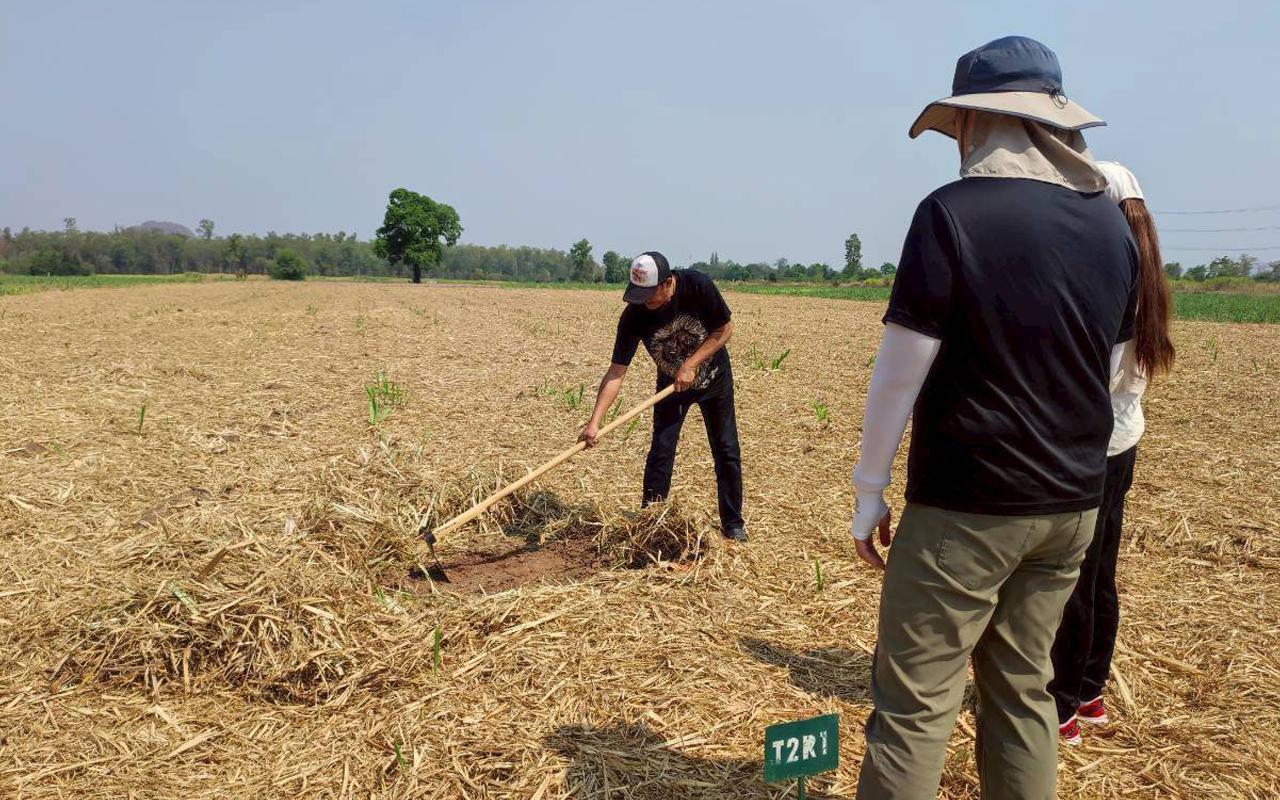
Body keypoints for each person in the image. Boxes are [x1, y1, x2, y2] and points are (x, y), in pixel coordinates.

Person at [847, 37, 1138, 799]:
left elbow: (900, 369)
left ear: (978, 123)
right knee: (1023, 695)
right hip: (1071, 505)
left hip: (966, 507)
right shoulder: (1111, 225)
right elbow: (1112, 372)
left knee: (914, 708)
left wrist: (868, 489)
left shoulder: (951, 214)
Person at [1049, 161, 1175, 745]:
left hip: (1088, 444)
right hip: (1125, 438)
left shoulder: (1108, 273)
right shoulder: (1150, 278)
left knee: (1072, 575)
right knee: (1101, 570)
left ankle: (1061, 706)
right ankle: (1091, 690)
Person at [579, 252, 747, 541]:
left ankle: (732, 523)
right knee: (661, 450)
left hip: (714, 379)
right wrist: (594, 422)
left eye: (650, 294)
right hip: (672, 385)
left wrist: (691, 364)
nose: (645, 302)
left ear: (668, 283)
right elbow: (616, 373)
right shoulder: (634, 315)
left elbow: (724, 329)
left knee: (726, 449)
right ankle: (651, 520)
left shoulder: (698, 286)